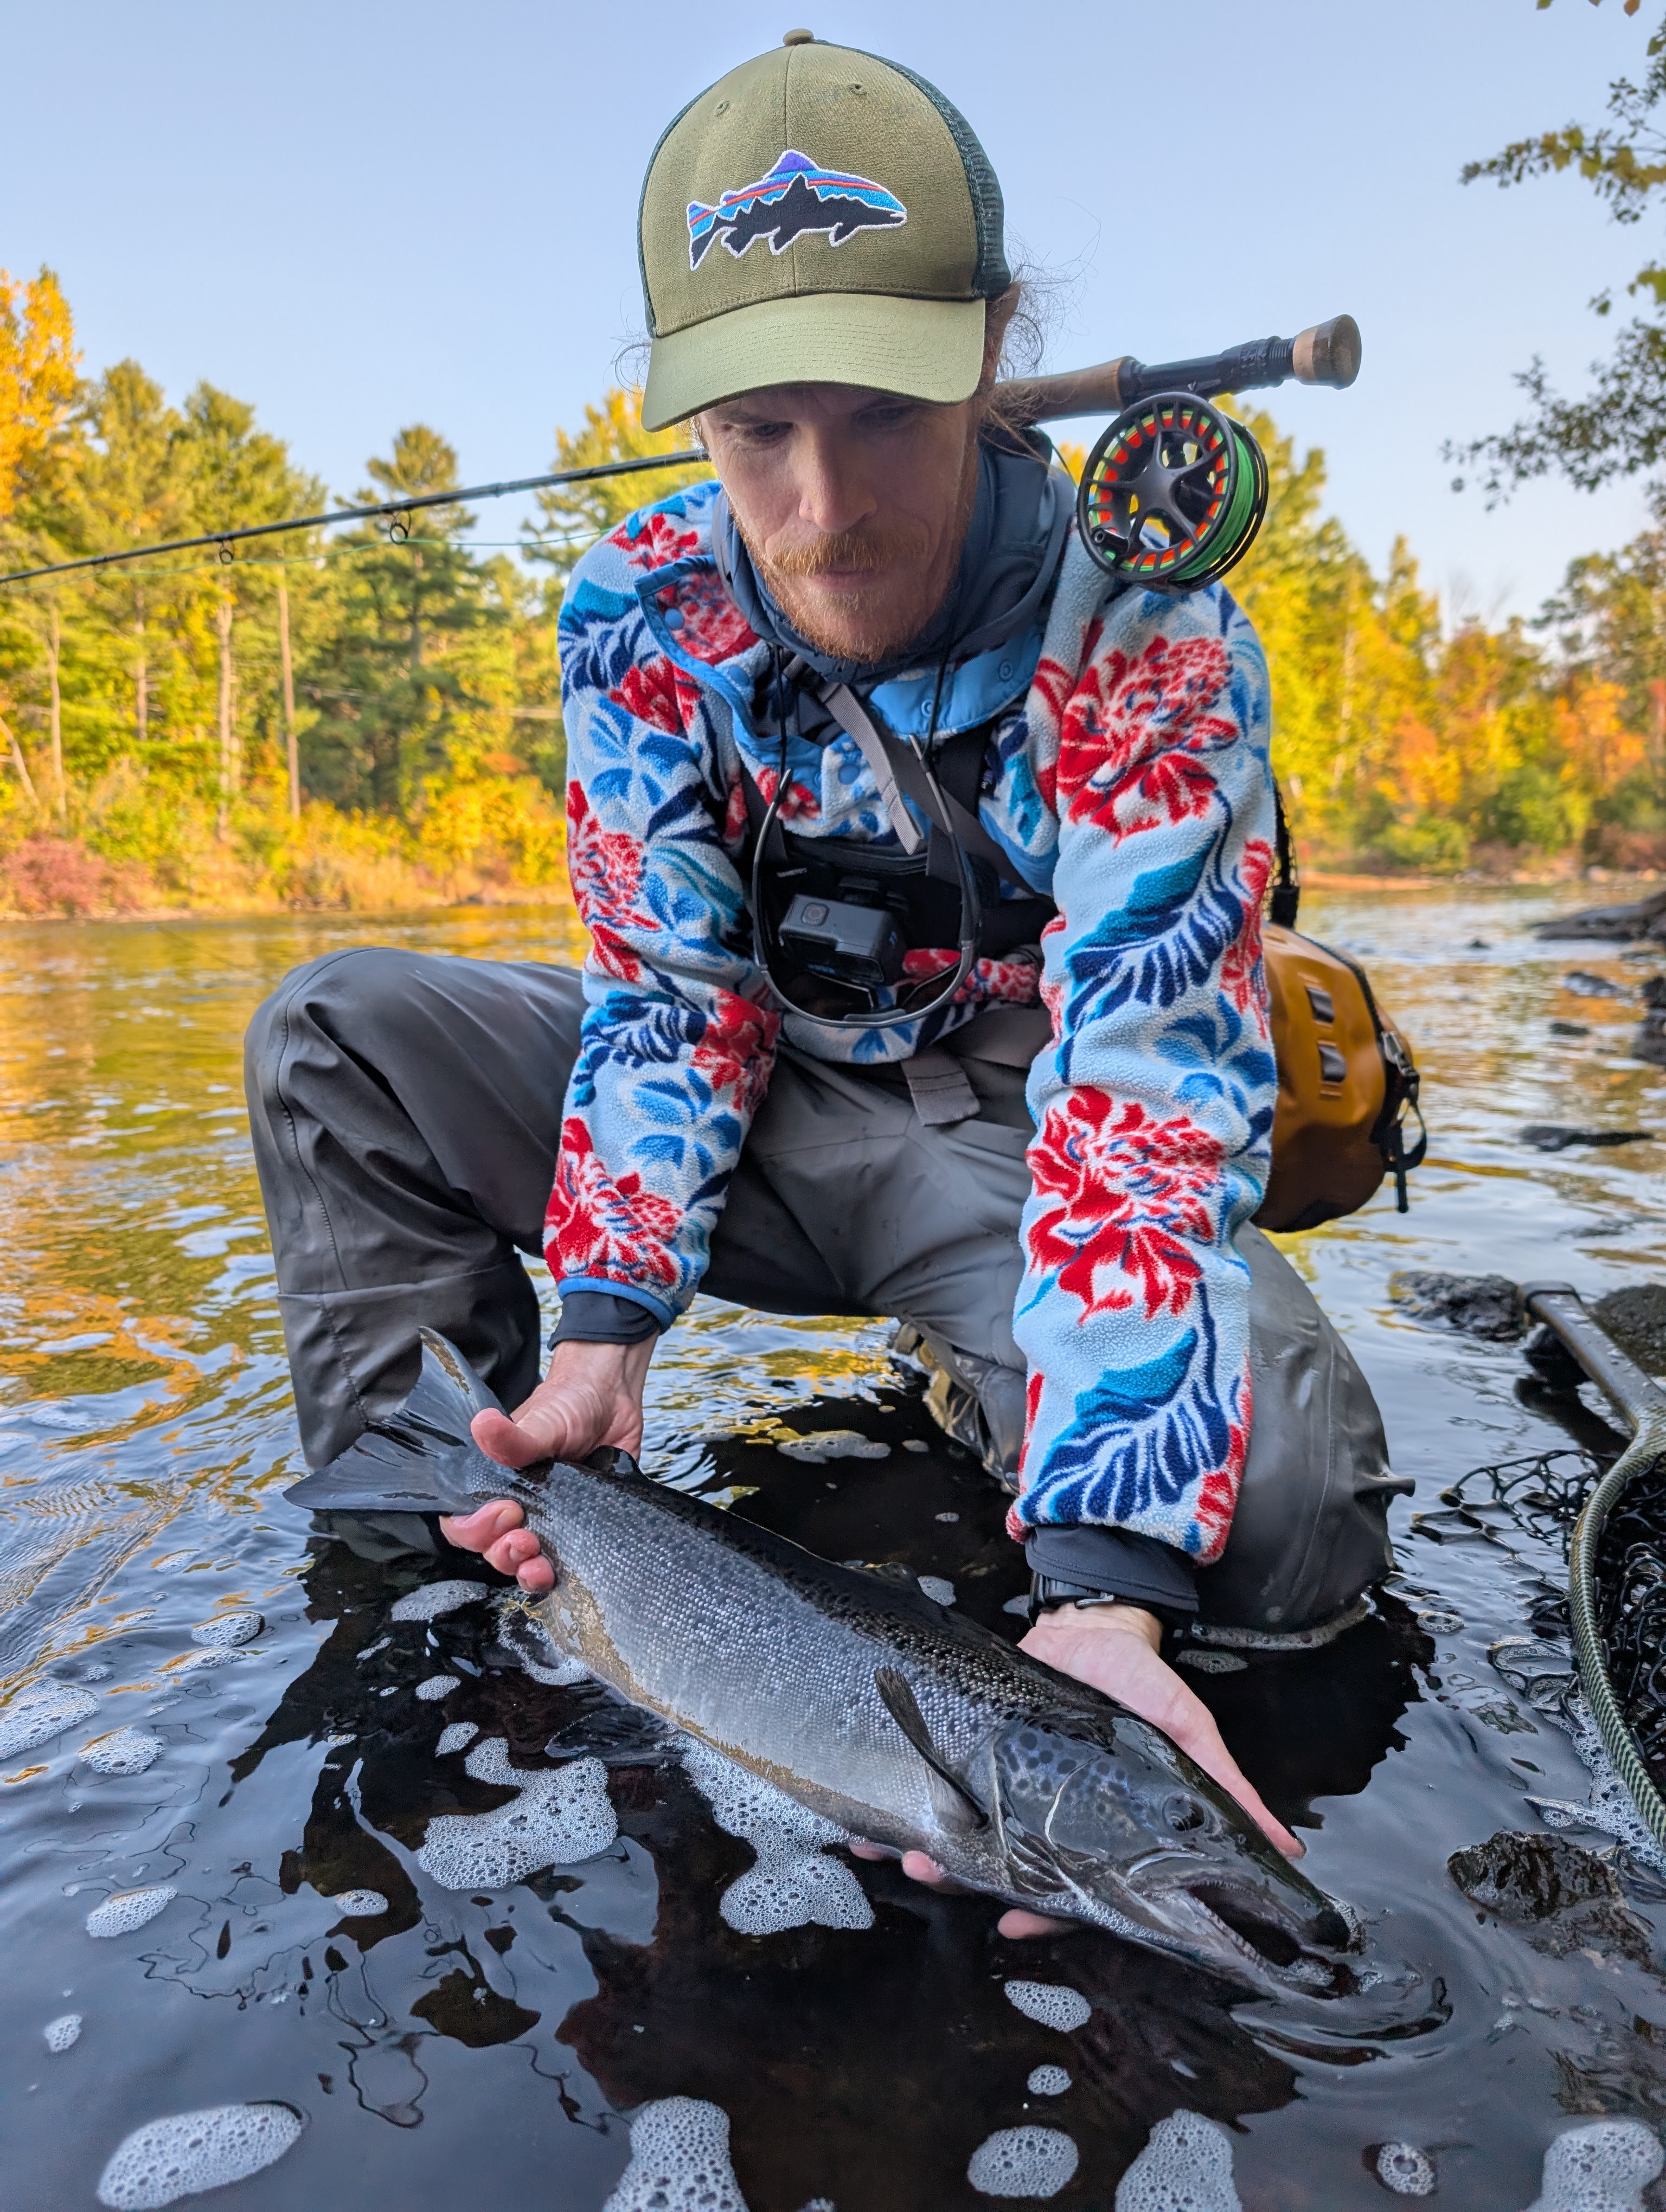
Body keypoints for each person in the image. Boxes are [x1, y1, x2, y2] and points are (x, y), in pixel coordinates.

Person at [246, 33, 1406, 1937]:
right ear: (687, 414)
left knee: (1283, 1531)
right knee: (335, 1035)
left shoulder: (1149, 632)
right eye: (755, 431)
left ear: (985, 345)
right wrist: (608, 1327)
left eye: (876, 413)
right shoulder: (637, 609)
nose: (820, 507)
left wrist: (1105, 1592)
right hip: (757, 1106)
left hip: (1015, 1141)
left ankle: (1020, 1417)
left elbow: (1145, 1081)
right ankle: (453, 1522)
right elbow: (665, 991)